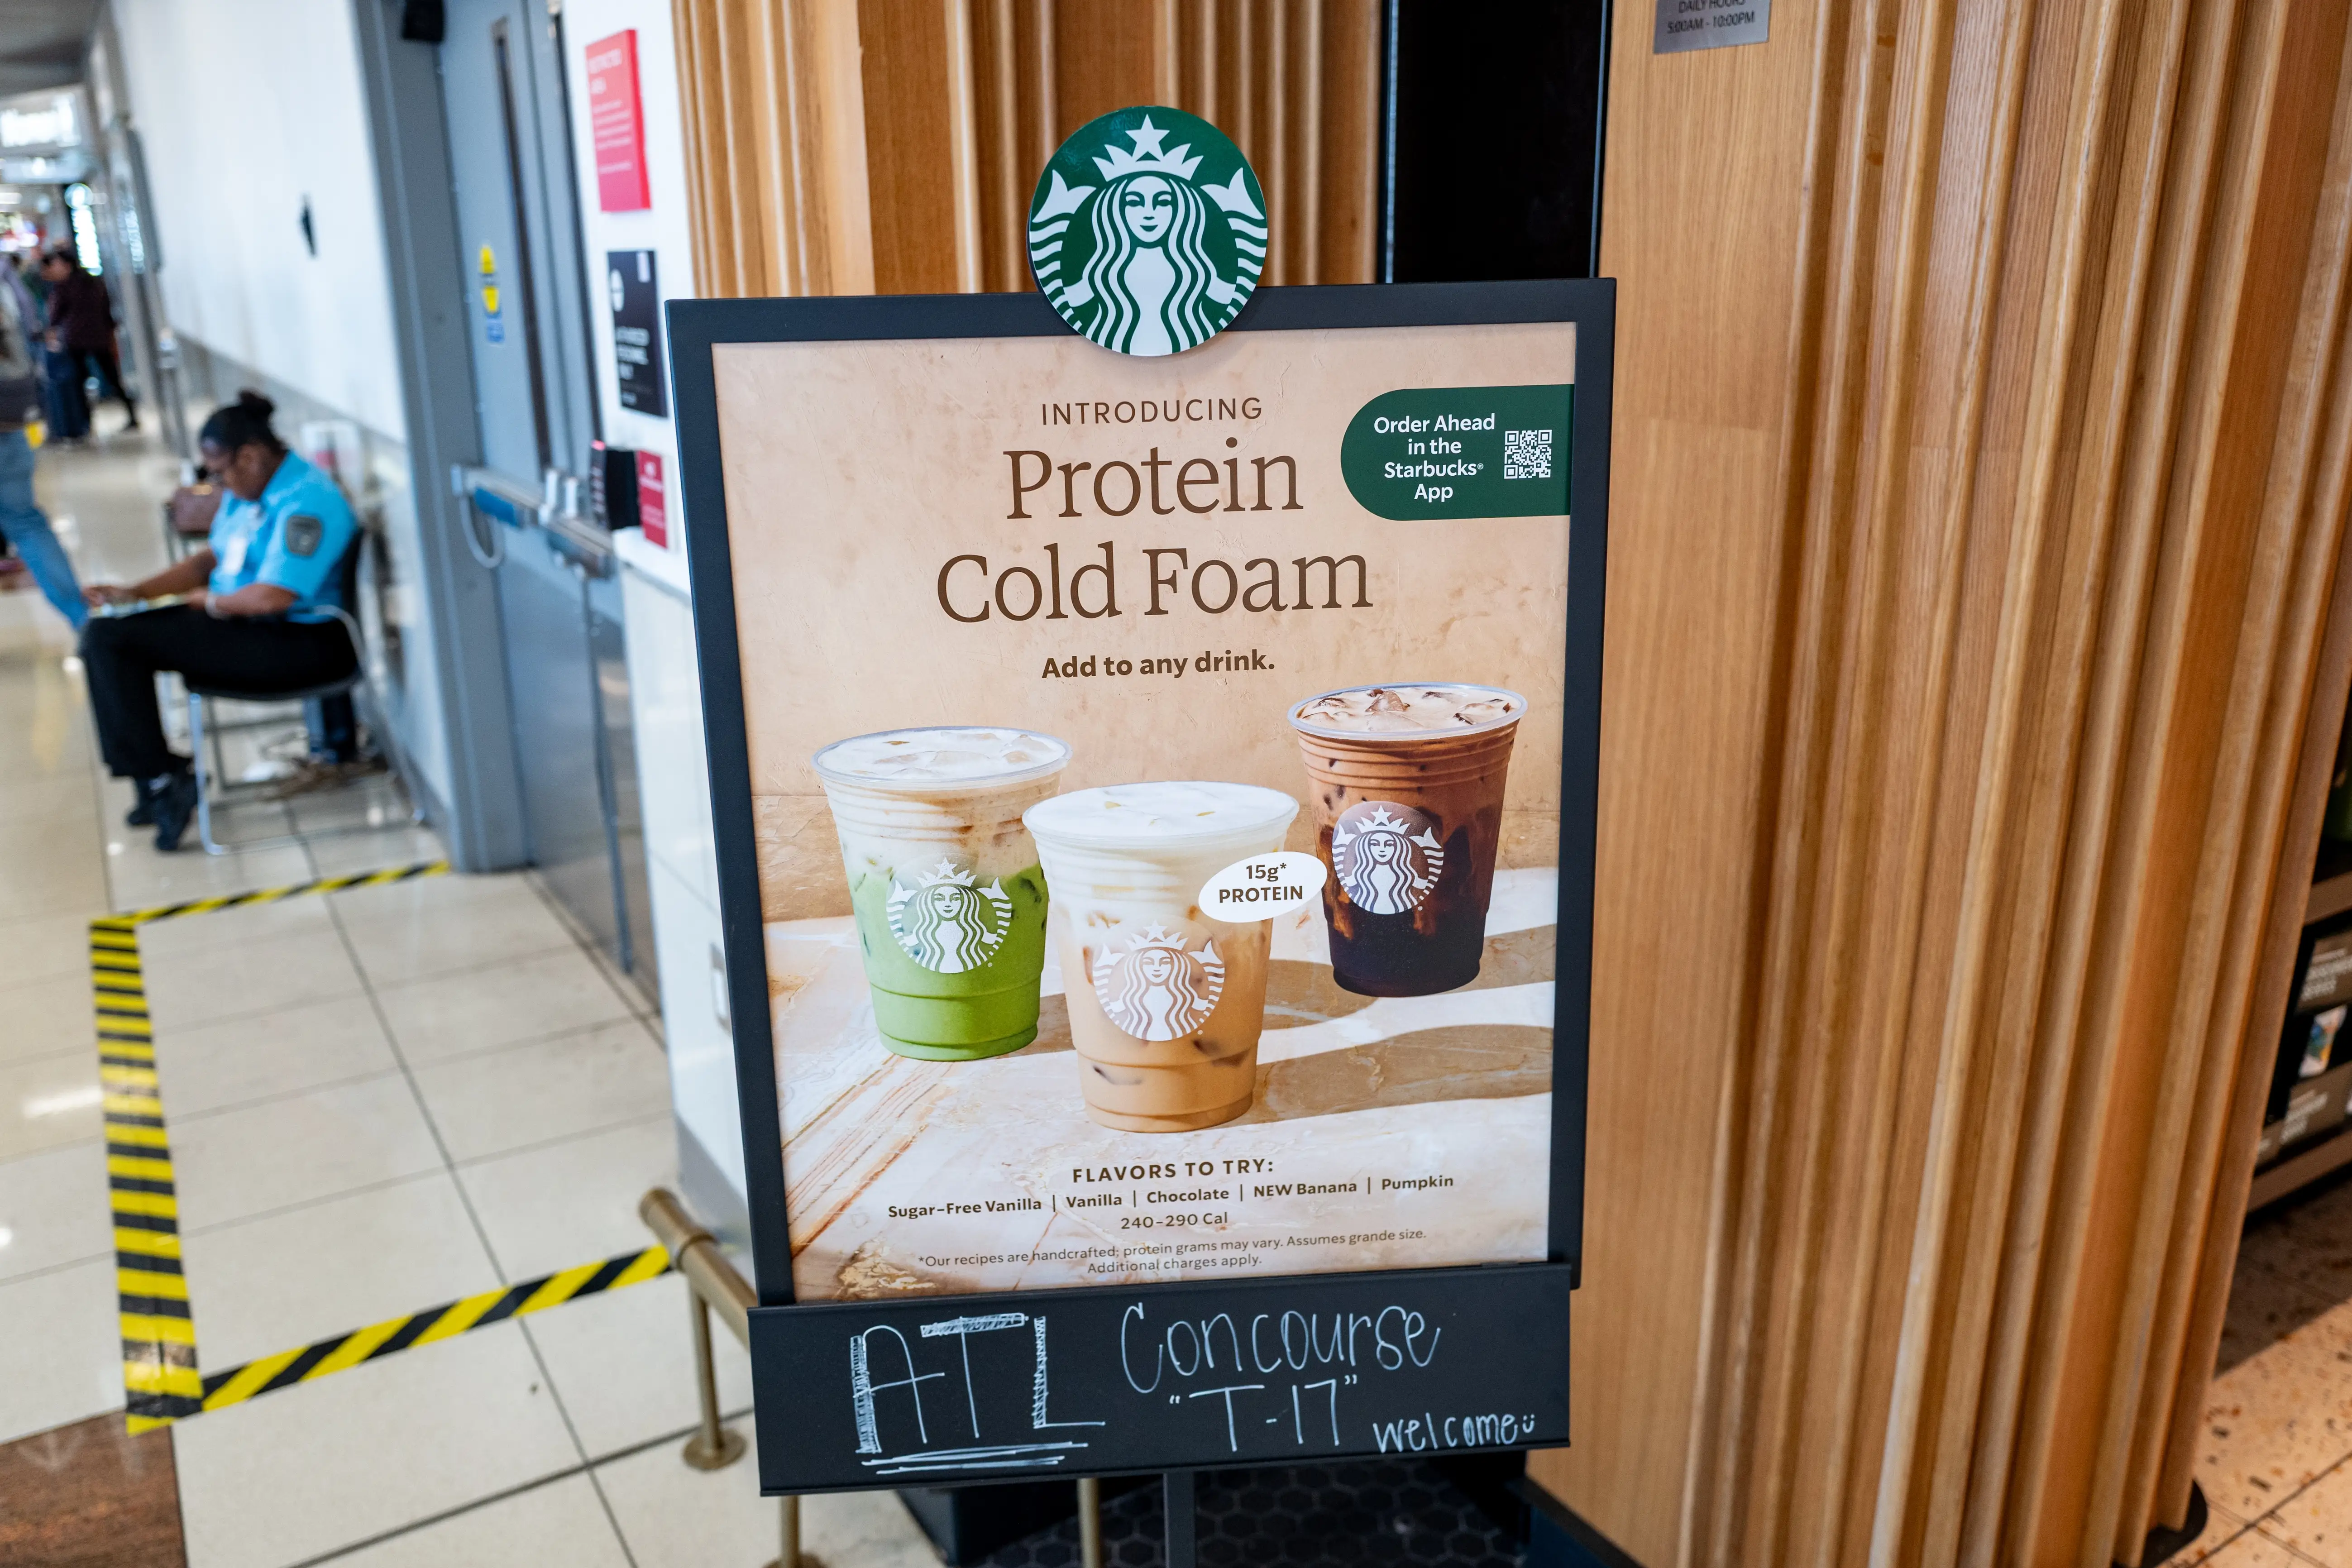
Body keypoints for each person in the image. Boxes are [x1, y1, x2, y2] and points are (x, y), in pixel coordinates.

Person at [80, 391, 357, 851]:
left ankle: (161, 775)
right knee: (108, 633)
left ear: (249, 457)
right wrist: (136, 591)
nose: (219, 483)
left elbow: (271, 597)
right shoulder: (249, 493)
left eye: (221, 470)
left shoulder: (307, 500)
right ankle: (156, 775)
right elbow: (208, 558)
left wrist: (208, 603)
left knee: (113, 641)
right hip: (242, 624)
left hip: (300, 643)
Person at [0, 252, 83, 630]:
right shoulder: (8, 279)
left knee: (26, 523)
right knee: (28, 523)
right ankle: (83, 619)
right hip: (11, 420)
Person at [42, 248, 134, 432]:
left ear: (67, 265)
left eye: (57, 264)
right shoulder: (93, 281)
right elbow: (107, 309)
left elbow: (56, 316)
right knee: (113, 379)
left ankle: (87, 424)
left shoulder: (65, 286)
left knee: (80, 384)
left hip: (77, 341)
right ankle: (132, 415)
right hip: (99, 338)